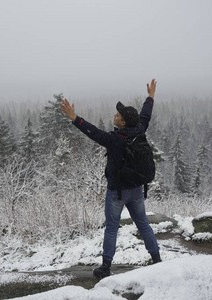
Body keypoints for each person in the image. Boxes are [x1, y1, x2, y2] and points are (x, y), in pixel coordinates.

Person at [59, 79, 161, 278]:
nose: (115, 115)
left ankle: (105, 267)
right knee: (143, 224)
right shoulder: (139, 129)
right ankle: (157, 260)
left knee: (112, 229)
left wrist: (74, 118)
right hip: (137, 190)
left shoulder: (115, 140)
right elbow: (145, 115)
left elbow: (94, 133)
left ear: (123, 122)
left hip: (117, 192)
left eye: (118, 115)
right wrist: (150, 97)